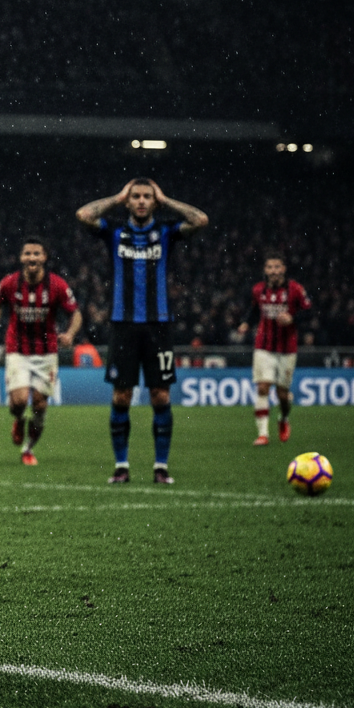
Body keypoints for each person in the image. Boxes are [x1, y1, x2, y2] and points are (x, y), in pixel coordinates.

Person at [76, 178, 209, 485]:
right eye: (135, 196)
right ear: (128, 200)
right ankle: (121, 466)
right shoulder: (114, 231)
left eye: (146, 197)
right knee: (122, 395)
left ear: (154, 201)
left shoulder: (164, 232)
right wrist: (116, 196)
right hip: (123, 325)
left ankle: (160, 467)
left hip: (158, 325)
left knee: (160, 395)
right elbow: (83, 215)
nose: (140, 201)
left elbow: (200, 220)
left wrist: (167, 199)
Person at [0, 237, 82, 465]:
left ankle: (28, 449)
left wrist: (70, 334)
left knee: (39, 405)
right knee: (18, 401)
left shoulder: (57, 285)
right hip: (17, 349)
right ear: (21, 258)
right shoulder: (9, 283)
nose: (32, 258)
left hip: (46, 353)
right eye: (27, 253)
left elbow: (75, 313)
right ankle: (18, 419)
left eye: (37, 253)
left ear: (44, 257)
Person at [236, 251, 312, 446]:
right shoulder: (258, 290)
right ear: (265, 270)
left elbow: (309, 312)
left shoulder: (295, 289)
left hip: (287, 348)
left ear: (284, 269)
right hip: (264, 345)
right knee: (262, 387)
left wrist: (293, 318)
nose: (274, 271)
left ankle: (283, 419)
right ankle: (263, 434)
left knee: (282, 396)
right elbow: (254, 311)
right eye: (270, 267)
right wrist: (246, 323)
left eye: (277, 267)